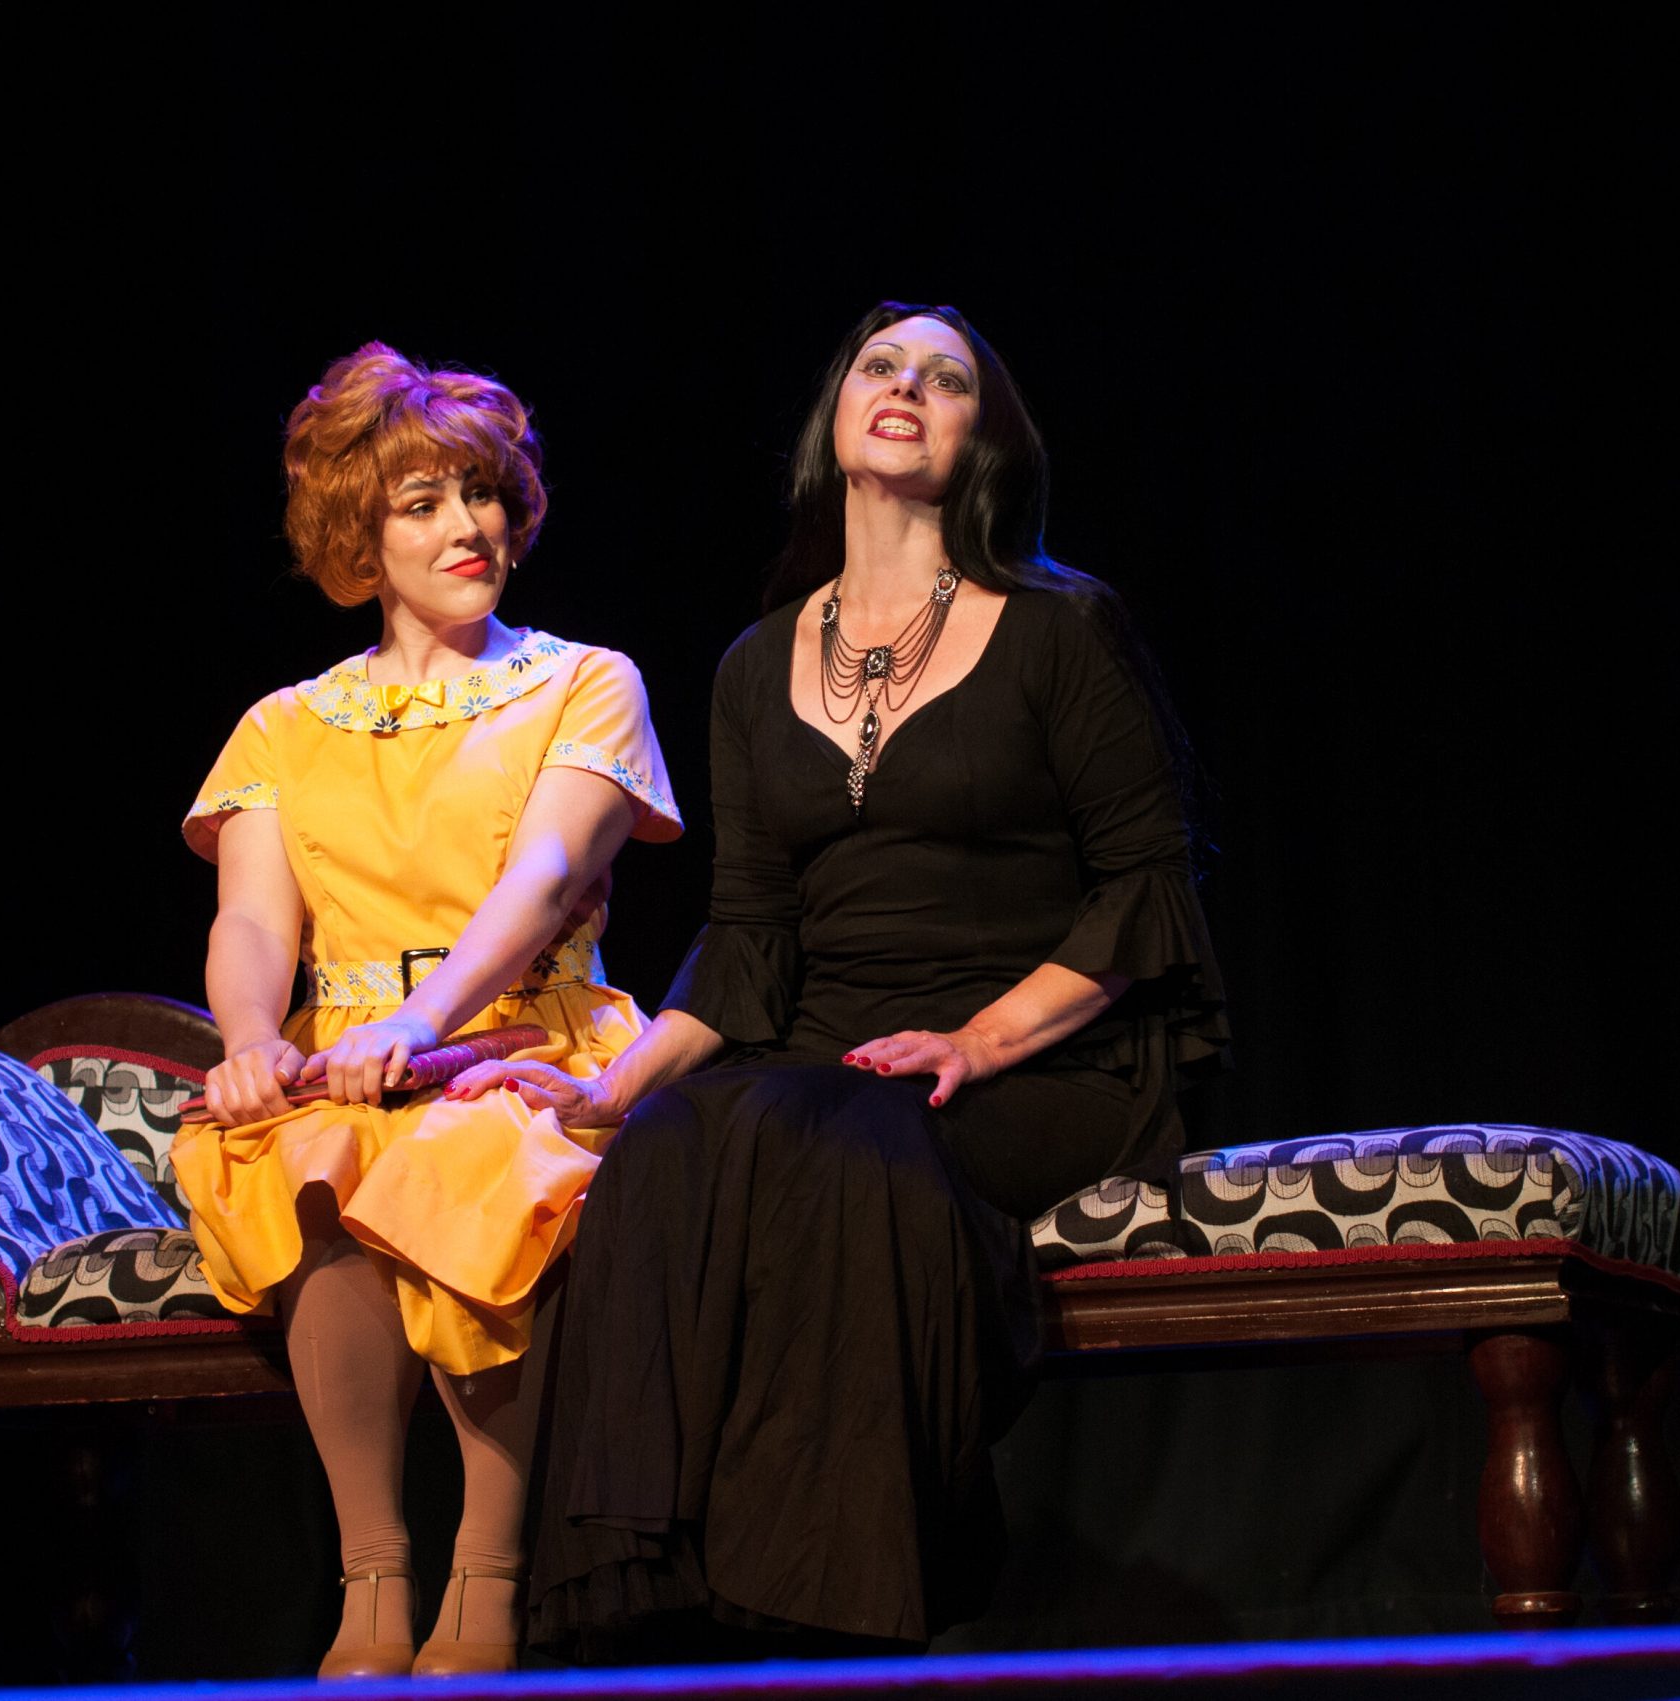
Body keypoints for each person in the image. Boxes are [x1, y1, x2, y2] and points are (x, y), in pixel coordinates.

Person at [448, 303, 1228, 1657]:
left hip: (1042, 1053)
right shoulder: (758, 666)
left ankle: (831, 1610)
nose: (906, 386)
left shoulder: (1061, 627)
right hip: (828, 1051)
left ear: (984, 438)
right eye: (881, 365)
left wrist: (978, 1042)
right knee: (671, 1145)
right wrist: (611, 1092)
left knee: (846, 1140)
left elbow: (1144, 889)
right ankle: (668, 1613)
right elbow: (750, 932)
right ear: (836, 415)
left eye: (945, 377)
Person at [171, 343, 681, 1678]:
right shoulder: (285, 724)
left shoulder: (583, 680)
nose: (470, 526)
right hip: (346, 1054)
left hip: (524, 1036)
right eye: (424, 502)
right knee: (312, 1161)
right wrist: (249, 1042)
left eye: (484, 494)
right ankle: (373, 1573)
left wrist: (426, 1022)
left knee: (470, 1159)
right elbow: (253, 922)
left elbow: (547, 872)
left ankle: (489, 1575)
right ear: (362, 533)